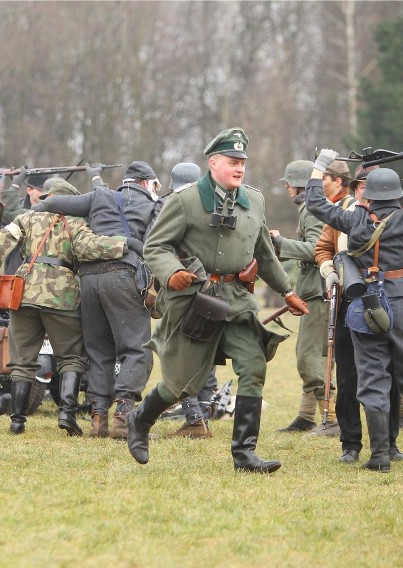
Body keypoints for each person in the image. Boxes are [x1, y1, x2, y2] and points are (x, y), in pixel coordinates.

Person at [128, 127, 309, 473]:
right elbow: (155, 247)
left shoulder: (254, 200)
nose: (240, 168)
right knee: (181, 385)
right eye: (232, 161)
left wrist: (287, 290)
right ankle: (140, 419)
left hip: (237, 301)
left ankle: (245, 455)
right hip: (196, 301)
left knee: (253, 365)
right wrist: (170, 273)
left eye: (243, 162)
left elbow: (264, 251)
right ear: (213, 163)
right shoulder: (185, 201)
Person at [306, 141, 403, 472]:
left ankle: (379, 456)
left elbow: (316, 203)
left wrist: (319, 166)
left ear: (369, 196)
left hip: (365, 302)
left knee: (372, 376)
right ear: (396, 193)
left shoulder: (356, 221)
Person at [0, 177, 137, 435]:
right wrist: (125, 244)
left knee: (22, 360)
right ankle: (67, 414)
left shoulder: (27, 218)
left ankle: (17, 421)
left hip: (24, 294)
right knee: (71, 357)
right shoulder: (76, 223)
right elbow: (92, 248)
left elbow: (4, 240)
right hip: (63, 297)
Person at [33, 161, 160, 439]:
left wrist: (29, 214)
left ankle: (99, 418)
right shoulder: (154, 205)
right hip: (124, 276)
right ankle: (124, 418)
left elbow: (51, 205)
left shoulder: (99, 197)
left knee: (98, 349)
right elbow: (154, 247)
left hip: (88, 279)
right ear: (146, 183)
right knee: (137, 348)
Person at [314, 164, 403, 463]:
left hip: (386, 302)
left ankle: (390, 444)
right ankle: (351, 445)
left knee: (390, 375)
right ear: (356, 188)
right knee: (348, 375)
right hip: (348, 300)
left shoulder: (396, 217)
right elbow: (322, 249)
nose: (368, 193)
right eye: (363, 187)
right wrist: (328, 269)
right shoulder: (340, 215)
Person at [271, 159, 341, 436]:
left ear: (296, 185)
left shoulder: (312, 210)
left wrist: (279, 243)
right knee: (312, 354)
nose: (286, 187)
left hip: (319, 291)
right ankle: (306, 416)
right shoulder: (312, 208)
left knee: (310, 357)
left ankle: (331, 418)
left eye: (288, 183)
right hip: (316, 289)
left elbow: (316, 250)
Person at [156, 162, 220, 440]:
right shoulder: (218, 204)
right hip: (215, 290)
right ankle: (204, 418)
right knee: (206, 353)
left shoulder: (169, 205)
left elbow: (157, 249)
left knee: (177, 355)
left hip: (182, 290)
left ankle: (194, 421)